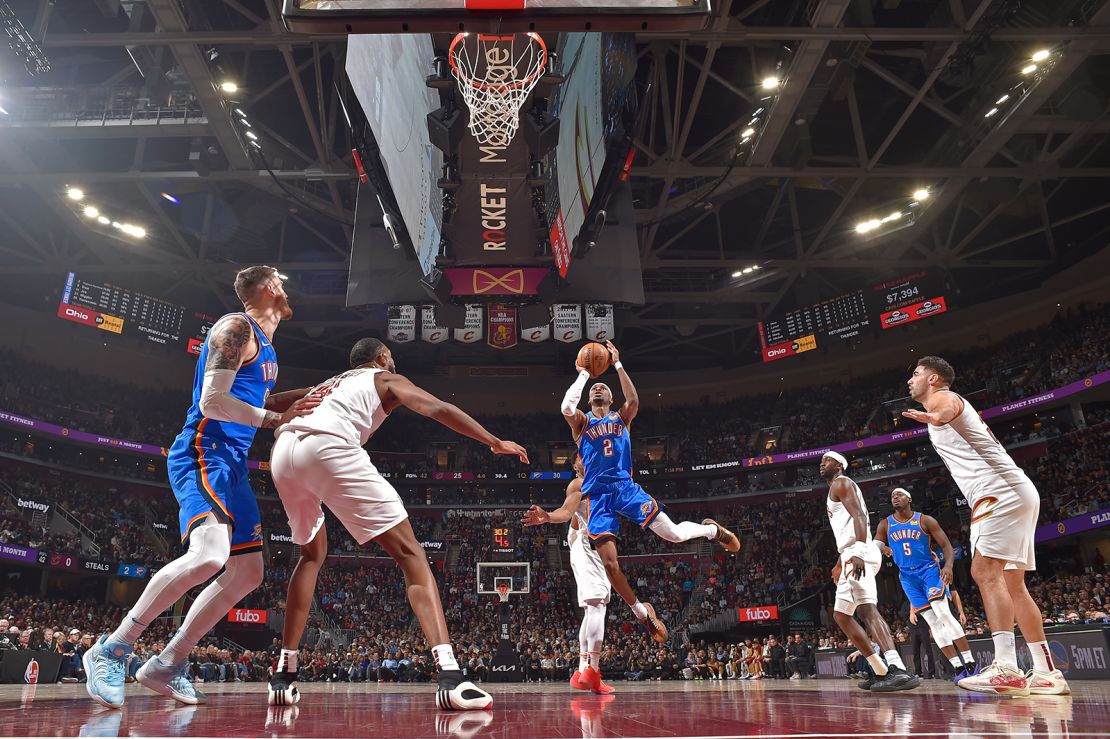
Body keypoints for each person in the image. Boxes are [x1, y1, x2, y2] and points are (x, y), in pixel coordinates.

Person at [84, 266, 317, 710]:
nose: (287, 291)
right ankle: (113, 648)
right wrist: (274, 420)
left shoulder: (265, 345)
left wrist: (299, 398)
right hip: (203, 451)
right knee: (209, 555)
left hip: (233, 464)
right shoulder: (235, 327)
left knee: (248, 573)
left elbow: (249, 399)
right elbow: (211, 401)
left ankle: (168, 663)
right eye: (281, 284)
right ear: (268, 288)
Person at [267, 337, 528, 710]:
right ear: (381, 358)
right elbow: (437, 408)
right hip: (328, 447)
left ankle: (284, 673)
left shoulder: (327, 384)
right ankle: (451, 677)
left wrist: (270, 417)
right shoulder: (385, 378)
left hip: (283, 452)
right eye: (391, 358)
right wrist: (492, 441)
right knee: (411, 554)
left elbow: (270, 401)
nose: (394, 362)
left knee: (311, 555)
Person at [904, 356, 1069, 696]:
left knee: (983, 572)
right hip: (1017, 490)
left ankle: (1006, 667)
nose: (911, 380)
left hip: (996, 493)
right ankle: (1046, 672)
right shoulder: (946, 402)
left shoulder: (942, 398)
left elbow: (946, 405)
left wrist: (935, 416)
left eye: (916, 374)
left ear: (934, 379)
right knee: (1013, 584)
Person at [559, 341, 740, 642]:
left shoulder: (622, 418)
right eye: (594, 389)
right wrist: (583, 374)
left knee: (674, 535)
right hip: (599, 496)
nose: (598, 390)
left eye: (603, 388)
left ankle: (711, 531)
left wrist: (617, 364)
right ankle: (642, 614)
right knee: (609, 565)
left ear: (611, 395)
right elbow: (566, 406)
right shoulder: (581, 423)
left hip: (625, 488)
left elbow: (633, 399)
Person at [821, 451, 920, 692]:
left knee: (866, 609)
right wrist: (839, 562)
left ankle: (897, 668)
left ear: (840, 465)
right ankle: (880, 670)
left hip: (859, 551)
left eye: (828, 460)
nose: (823, 463)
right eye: (822, 461)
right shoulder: (836, 487)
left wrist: (857, 551)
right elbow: (848, 527)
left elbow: (860, 517)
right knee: (841, 615)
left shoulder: (842, 482)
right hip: (851, 552)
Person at [522, 458, 616, 694]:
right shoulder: (579, 483)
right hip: (586, 544)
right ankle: (591, 671)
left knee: (593, 608)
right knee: (596, 607)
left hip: (586, 543)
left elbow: (575, 520)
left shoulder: (602, 480)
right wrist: (548, 517)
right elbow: (566, 512)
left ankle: (583, 668)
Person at [874, 487, 979, 683]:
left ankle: (972, 663)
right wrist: (883, 547)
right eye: (892, 496)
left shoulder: (925, 520)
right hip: (906, 576)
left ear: (910, 498)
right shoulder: (885, 524)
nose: (895, 497)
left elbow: (947, 545)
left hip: (928, 570)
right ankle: (957, 666)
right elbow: (876, 545)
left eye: (899, 494)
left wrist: (948, 565)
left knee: (943, 613)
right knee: (932, 622)